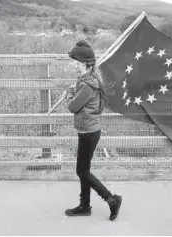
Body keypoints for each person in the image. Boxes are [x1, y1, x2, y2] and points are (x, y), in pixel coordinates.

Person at [64, 40, 122, 221]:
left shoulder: (86, 85)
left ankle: (111, 199)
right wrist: (75, 88)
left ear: (82, 63)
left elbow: (72, 107)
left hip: (88, 132)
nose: (71, 64)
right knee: (84, 170)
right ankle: (84, 206)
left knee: (81, 171)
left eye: (73, 61)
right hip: (89, 130)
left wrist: (70, 93)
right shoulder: (89, 80)